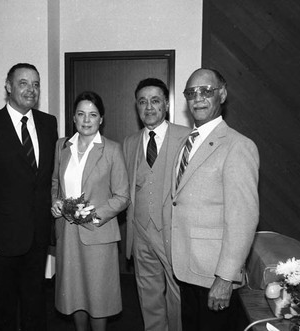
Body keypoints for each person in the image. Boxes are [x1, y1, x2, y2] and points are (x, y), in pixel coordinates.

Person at [0, 63, 58, 331]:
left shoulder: (48, 123)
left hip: (38, 234)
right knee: (1, 308)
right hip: (1, 238)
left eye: (36, 84)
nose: (31, 90)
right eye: (23, 83)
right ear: (8, 86)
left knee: (35, 304)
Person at [171, 68, 259, 331]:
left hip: (214, 276)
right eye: (191, 93)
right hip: (187, 269)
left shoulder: (238, 146)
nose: (197, 98)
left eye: (206, 91)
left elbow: (243, 219)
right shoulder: (187, 142)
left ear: (222, 94)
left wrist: (225, 278)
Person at [51, 91, 130, 331]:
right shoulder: (62, 146)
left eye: (93, 115)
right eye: (81, 114)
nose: (86, 120)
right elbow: (55, 182)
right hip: (68, 233)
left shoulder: (112, 150)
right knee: (74, 294)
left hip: (98, 233)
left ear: (101, 119)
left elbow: (123, 196)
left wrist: (95, 214)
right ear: (73, 118)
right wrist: (54, 201)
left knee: (98, 298)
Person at [123, 78, 190, 331]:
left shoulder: (186, 138)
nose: (148, 107)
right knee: (147, 294)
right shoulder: (129, 143)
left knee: (178, 295)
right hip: (140, 232)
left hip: (173, 231)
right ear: (137, 107)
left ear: (166, 104)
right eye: (142, 101)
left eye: (155, 100)